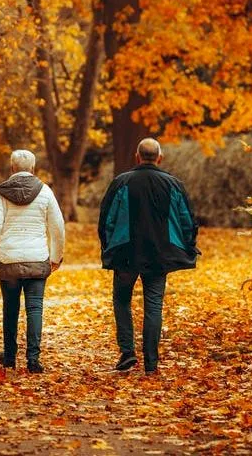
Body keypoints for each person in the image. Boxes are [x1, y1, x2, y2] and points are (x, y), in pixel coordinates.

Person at [97, 138, 200, 375]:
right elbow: (187, 220)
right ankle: (151, 363)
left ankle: (127, 352)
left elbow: (106, 220)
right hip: (159, 254)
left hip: (125, 253)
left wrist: (107, 247)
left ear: (137, 156)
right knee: (153, 305)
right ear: (160, 158)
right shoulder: (173, 184)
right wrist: (188, 246)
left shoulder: (121, 182)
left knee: (121, 300)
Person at [0, 150, 65, 374]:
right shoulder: (45, 192)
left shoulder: (2, 194)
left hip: (9, 260)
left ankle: (10, 357)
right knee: (35, 308)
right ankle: (33, 360)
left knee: (10, 308)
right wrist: (56, 257)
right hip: (36, 258)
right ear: (33, 169)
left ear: (12, 168)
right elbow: (58, 227)